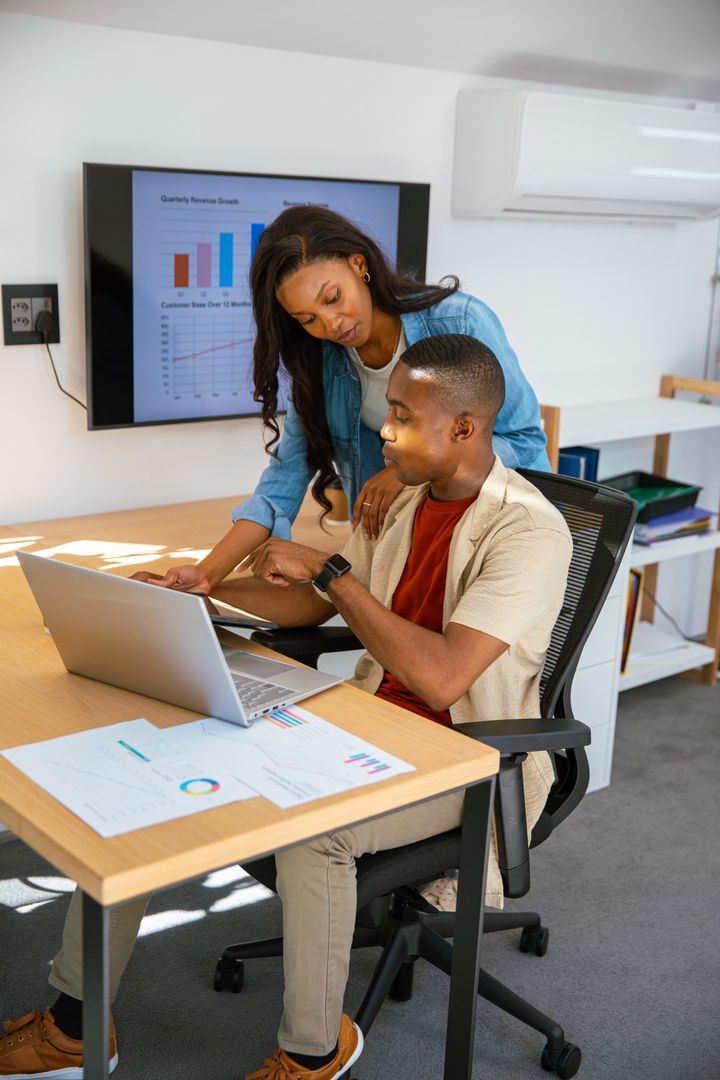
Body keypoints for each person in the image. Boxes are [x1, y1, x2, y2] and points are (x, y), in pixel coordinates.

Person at [0, 334, 571, 1080]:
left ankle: (313, 1053)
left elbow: (440, 679)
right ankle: (75, 1027)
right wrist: (204, 594)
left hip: (460, 756)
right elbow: (311, 601)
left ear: (464, 429)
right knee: (157, 767)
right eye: (386, 411)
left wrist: (332, 571)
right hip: (367, 717)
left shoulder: (527, 530)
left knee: (314, 835)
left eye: (401, 416)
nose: (384, 432)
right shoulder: (408, 502)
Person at [140, 204, 549, 599]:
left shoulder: (459, 322)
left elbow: (526, 442)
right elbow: (284, 480)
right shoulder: (322, 360)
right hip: (398, 556)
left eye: (332, 297)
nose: (330, 325)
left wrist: (411, 471)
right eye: (308, 319)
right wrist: (207, 573)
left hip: (487, 544)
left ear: (359, 265)